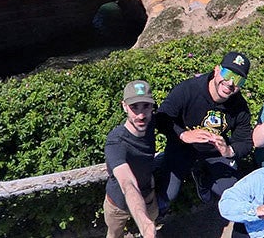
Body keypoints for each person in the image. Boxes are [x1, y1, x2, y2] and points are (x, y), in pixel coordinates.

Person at [155, 51, 254, 213]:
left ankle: (202, 178)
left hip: (214, 153)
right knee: (168, 194)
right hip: (181, 148)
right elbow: (161, 118)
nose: (230, 83)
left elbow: (245, 142)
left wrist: (228, 150)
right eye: (227, 73)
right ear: (216, 70)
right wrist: (183, 135)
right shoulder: (188, 89)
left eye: (238, 80)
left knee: (230, 191)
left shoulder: (240, 107)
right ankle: (153, 217)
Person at [104, 80, 158, 238]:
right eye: (134, 107)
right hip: (117, 206)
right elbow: (128, 184)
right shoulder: (116, 142)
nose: (141, 115)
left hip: (148, 196)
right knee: (114, 234)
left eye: (146, 106)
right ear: (124, 106)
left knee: (152, 225)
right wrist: (145, 223)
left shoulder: (150, 124)